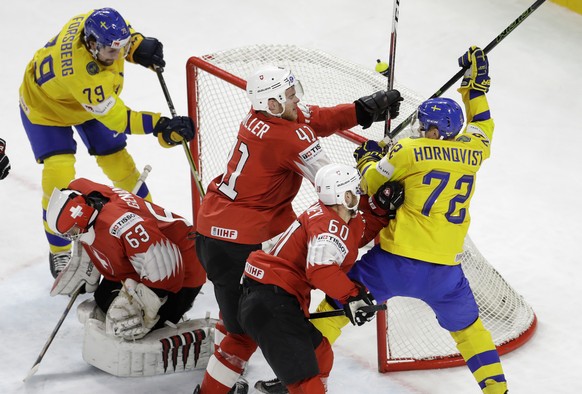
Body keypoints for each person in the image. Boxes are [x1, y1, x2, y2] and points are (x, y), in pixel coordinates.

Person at [194, 64, 403, 393]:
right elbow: (331, 182)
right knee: (242, 330)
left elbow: (315, 117)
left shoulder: (267, 114)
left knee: (235, 318)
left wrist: (361, 111)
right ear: (274, 104)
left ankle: (223, 379)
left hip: (214, 228)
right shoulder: (287, 135)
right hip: (240, 242)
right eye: (290, 96)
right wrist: (371, 168)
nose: (297, 101)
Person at [315, 46, 506, 394]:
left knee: (335, 306)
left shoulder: (407, 151)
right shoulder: (475, 150)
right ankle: (498, 390)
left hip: (393, 264)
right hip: (446, 272)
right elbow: (482, 123)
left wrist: (368, 159)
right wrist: (473, 90)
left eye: (424, 127)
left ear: (435, 132)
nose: (418, 130)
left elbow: (370, 184)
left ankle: (298, 376)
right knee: (470, 332)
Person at [19, 7, 195, 279]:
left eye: (122, 49)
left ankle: (153, 225)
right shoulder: (83, 75)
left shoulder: (103, 25)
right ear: (91, 45)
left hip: (82, 103)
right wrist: (160, 126)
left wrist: (137, 46)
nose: (119, 58)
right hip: (46, 109)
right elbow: (118, 119)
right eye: (113, 52)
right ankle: (59, 249)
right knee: (59, 175)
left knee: (120, 164)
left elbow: (126, 36)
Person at [46, 177, 206, 342]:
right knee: (103, 298)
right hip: (142, 262)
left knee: (129, 321)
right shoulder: (83, 195)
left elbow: (164, 263)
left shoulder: (123, 226)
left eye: (72, 231)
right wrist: (89, 257)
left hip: (183, 270)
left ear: (82, 217)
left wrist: (147, 308)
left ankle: (173, 325)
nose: (71, 236)